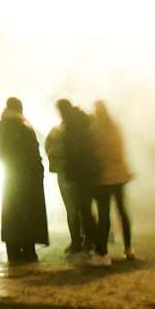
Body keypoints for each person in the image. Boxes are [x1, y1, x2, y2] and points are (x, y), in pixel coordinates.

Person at [0, 97, 49, 264]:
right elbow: (33, 154)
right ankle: (28, 250)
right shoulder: (24, 127)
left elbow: (0, 152)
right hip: (27, 177)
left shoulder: (0, 126)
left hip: (10, 175)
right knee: (28, 214)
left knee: (12, 214)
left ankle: (13, 250)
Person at [91, 100, 134, 265]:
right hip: (119, 174)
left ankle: (103, 251)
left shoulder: (94, 130)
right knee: (122, 211)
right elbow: (121, 149)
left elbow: (95, 154)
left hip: (103, 177)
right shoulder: (115, 127)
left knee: (104, 214)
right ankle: (128, 247)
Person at [61, 100, 100, 261]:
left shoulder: (72, 127)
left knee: (83, 211)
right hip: (89, 172)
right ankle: (93, 243)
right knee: (86, 211)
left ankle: (95, 245)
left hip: (80, 174)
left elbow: (73, 152)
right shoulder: (85, 124)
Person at [46, 100, 84, 255]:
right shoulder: (81, 125)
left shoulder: (58, 130)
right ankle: (87, 240)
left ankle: (76, 241)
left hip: (66, 172)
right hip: (81, 172)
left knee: (72, 209)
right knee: (82, 207)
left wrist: (56, 163)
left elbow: (49, 147)